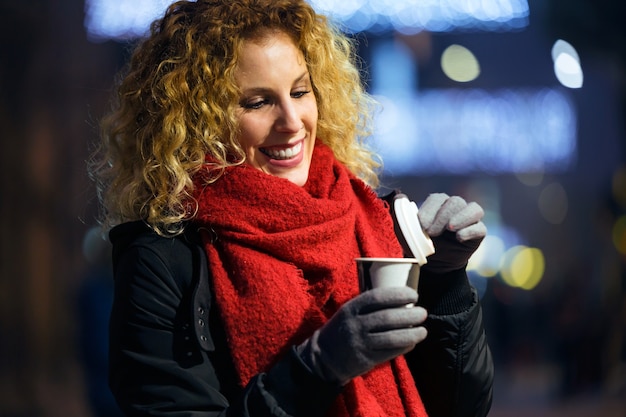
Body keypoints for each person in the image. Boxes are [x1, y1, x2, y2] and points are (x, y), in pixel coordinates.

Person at [90, 0, 494, 416]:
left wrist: (445, 284)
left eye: (300, 92)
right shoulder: (164, 258)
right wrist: (317, 366)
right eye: (257, 102)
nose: (291, 121)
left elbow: (464, 407)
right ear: (199, 120)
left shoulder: (376, 221)